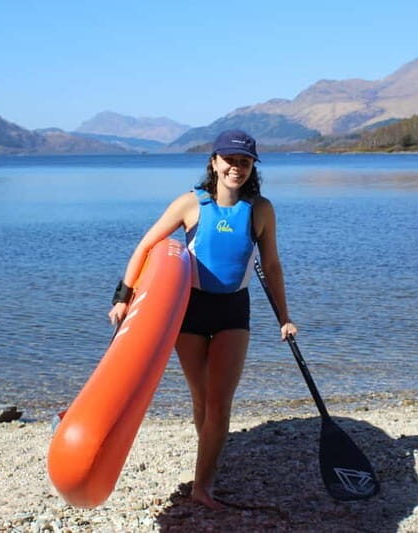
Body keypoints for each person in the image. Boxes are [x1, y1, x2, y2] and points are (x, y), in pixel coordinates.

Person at [108, 129, 298, 509]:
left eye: (244, 162)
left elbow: (271, 264)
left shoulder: (261, 209)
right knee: (201, 398)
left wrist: (285, 318)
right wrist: (122, 298)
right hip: (189, 310)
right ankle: (208, 457)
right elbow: (146, 246)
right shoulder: (189, 205)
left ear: (251, 168)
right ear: (214, 162)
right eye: (230, 160)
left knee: (220, 402)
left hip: (233, 311)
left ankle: (204, 485)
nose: (236, 168)